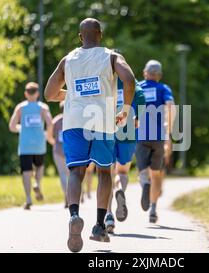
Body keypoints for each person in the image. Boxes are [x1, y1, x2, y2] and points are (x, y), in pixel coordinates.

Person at [44, 18, 135, 253]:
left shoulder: (68, 60)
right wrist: (124, 110)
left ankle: (74, 214)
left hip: (73, 122)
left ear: (80, 37)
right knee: (105, 171)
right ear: (100, 35)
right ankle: (98, 226)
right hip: (103, 120)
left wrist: (72, 93)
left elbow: (49, 93)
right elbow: (129, 80)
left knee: (76, 171)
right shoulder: (111, 56)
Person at [136, 60, 176, 223]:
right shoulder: (163, 89)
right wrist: (168, 132)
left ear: (145, 73)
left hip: (141, 136)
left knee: (142, 172)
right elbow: (171, 106)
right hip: (159, 137)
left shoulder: (139, 87)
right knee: (157, 174)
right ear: (159, 75)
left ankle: (145, 183)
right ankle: (153, 208)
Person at [105, 78, 146, 234]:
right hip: (127, 127)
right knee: (122, 171)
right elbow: (141, 96)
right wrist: (138, 118)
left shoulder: (105, 77)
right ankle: (119, 190)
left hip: (106, 127)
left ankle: (108, 216)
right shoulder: (129, 79)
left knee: (106, 172)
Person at [9, 82, 53, 210]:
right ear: (38, 93)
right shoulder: (43, 108)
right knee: (40, 167)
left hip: (25, 146)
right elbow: (50, 124)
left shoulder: (20, 108)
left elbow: (11, 126)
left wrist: (21, 128)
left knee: (26, 172)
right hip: (39, 144)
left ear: (26, 94)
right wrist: (48, 135)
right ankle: (37, 183)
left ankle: (28, 198)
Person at [48, 101, 69, 208]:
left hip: (58, 150)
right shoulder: (73, 120)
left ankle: (66, 197)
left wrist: (55, 144)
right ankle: (72, 197)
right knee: (72, 175)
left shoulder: (55, 121)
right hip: (71, 150)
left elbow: (49, 136)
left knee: (62, 175)